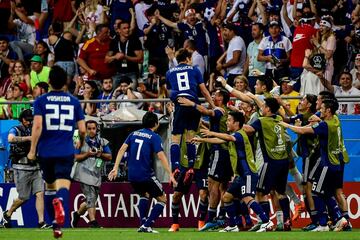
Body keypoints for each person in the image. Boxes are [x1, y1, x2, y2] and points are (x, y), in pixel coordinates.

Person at [27, 66, 86, 239]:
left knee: (49, 187)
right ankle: (59, 209)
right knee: (63, 187)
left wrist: (32, 150)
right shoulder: (74, 101)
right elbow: (82, 129)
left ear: (50, 82)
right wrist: (80, 144)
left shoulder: (41, 100)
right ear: (66, 81)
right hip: (65, 150)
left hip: (45, 151)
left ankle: (55, 226)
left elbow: (37, 126)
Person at [192, 111, 274, 232]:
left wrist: (210, 132)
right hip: (240, 175)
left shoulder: (240, 135)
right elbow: (221, 140)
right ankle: (232, 225)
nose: (227, 122)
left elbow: (228, 137)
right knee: (226, 198)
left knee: (247, 198)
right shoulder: (235, 135)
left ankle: (266, 221)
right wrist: (203, 140)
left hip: (248, 173)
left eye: (229, 120)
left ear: (236, 123)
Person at [280, 99, 350, 231]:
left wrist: (285, 124)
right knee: (324, 192)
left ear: (328, 110)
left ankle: (324, 223)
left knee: (316, 192)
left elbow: (302, 131)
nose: (320, 111)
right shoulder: (335, 119)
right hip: (335, 162)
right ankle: (339, 219)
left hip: (327, 163)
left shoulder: (325, 125)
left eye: (322, 108)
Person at [166, 48, 214, 232]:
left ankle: (176, 165)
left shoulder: (170, 71)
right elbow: (203, 89)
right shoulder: (194, 69)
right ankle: (175, 223)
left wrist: (174, 98)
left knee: (175, 139)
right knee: (191, 136)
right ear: (188, 59)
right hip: (193, 104)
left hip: (180, 104)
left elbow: (170, 90)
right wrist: (212, 105)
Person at [108, 111, 177, 233]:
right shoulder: (155, 137)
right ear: (156, 124)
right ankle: (147, 225)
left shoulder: (133, 134)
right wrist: (170, 174)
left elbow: (122, 149)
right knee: (162, 199)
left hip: (132, 175)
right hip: (145, 174)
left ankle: (142, 224)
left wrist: (115, 167)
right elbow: (161, 156)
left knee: (144, 195)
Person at [243, 98, 292, 231]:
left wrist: (238, 124)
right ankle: (284, 222)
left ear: (268, 108)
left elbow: (249, 129)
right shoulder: (278, 118)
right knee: (279, 192)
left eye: (263, 106)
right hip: (283, 160)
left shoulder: (262, 121)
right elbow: (289, 120)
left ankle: (263, 222)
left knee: (260, 191)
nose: (261, 108)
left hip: (269, 161)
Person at [2, 109, 50, 229]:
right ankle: (7, 214)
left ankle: (41, 222)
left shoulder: (36, 128)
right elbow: (10, 139)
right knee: (23, 197)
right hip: (21, 167)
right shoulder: (16, 129)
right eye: (28, 120)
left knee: (40, 193)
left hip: (36, 167)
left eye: (31, 120)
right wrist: (28, 138)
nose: (30, 122)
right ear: (22, 120)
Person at [71, 120, 112, 228]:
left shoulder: (102, 141)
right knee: (90, 197)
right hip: (83, 173)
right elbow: (75, 157)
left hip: (96, 174)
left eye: (93, 128)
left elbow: (109, 156)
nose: (91, 131)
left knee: (91, 199)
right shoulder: (79, 141)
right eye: (89, 128)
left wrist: (100, 154)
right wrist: (88, 154)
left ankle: (77, 214)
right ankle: (93, 222)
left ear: (97, 129)